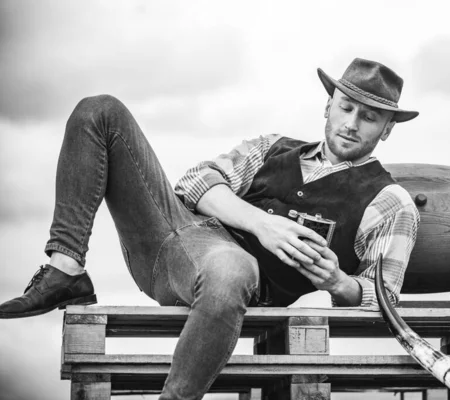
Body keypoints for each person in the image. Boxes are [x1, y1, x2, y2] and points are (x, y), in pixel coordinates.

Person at [0, 58, 420, 399]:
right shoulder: (271, 147)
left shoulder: (389, 202)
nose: (351, 123)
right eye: (345, 107)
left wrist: (337, 281)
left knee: (230, 267)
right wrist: (263, 224)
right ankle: (66, 269)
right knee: (99, 110)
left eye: (369, 117)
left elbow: (382, 299)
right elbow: (195, 182)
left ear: (387, 129)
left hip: (234, 281)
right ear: (328, 106)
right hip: (168, 235)